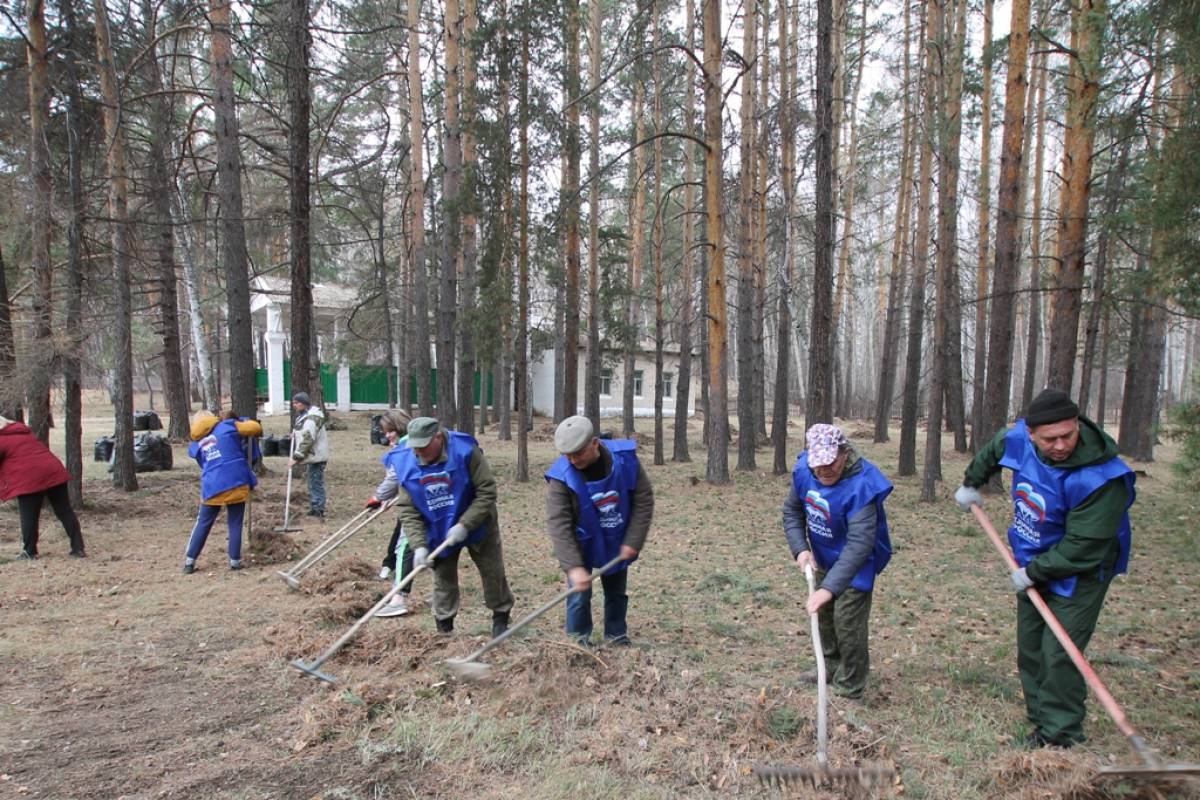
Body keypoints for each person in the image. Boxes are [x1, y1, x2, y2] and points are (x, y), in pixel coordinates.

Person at [955, 387, 1135, 749]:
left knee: (1060, 652)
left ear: (1078, 425)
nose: (1060, 445)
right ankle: (1041, 720)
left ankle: (1061, 736)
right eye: (1049, 438)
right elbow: (994, 450)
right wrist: (971, 482)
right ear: (1031, 433)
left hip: (1083, 572)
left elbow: (1083, 548)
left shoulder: (1102, 478)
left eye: (1068, 434)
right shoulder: (1018, 438)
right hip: (1032, 559)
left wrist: (1032, 574)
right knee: (1032, 647)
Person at [783, 423, 893, 700]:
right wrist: (800, 550)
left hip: (857, 563)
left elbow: (859, 544)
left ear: (844, 454)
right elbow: (792, 512)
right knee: (825, 618)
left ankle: (850, 685)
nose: (823, 471)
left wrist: (828, 589)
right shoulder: (804, 473)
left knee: (847, 621)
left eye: (830, 463)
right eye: (818, 465)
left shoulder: (862, 485)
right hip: (823, 555)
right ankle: (830, 666)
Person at [390, 417, 514, 636]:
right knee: (443, 576)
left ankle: (500, 617)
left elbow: (487, 490)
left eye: (424, 447)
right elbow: (408, 511)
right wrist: (419, 546)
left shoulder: (465, 451)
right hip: (437, 524)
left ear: (438, 437)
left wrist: (466, 524)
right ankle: (444, 626)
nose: (418, 453)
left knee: (492, 570)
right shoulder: (406, 463)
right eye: (415, 448)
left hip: (478, 521)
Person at [545, 416, 653, 646]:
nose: (573, 460)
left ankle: (616, 637)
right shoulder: (561, 477)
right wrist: (574, 567)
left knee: (616, 592)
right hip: (580, 542)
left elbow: (643, 499)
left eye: (578, 453)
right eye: (568, 455)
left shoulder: (625, 461)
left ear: (595, 444)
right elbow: (559, 524)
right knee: (578, 596)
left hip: (616, 537)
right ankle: (578, 643)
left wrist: (633, 541)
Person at [183, 410, 262, 573]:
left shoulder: (196, 443)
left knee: (203, 523)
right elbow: (255, 428)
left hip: (212, 486)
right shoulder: (227, 426)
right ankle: (234, 561)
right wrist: (242, 421)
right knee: (235, 522)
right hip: (236, 481)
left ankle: (189, 561)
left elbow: (203, 463)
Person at [0, 415, 86, 559]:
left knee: (29, 515)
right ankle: (78, 548)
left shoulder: (2, 440)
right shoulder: (25, 434)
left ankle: (29, 552)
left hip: (29, 478)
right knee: (64, 510)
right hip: (54, 471)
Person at [366, 410, 421, 618]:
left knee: (404, 546)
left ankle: (398, 598)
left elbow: (394, 478)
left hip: (419, 504)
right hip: (419, 499)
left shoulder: (405, 447)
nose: (386, 435)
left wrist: (377, 497)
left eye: (389, 431)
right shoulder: (411, 443)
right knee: (410, 545)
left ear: (399, 428)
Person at [289, 392, 329, 519]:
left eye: (296, 403)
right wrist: (295, 433)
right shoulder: (304, 415)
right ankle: (314, 506)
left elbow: (308, 439)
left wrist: (296, 457)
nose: (294, 405)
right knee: (312, 481)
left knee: (316, 482)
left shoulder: (312, 418)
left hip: (316, 455)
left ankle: (319, 509)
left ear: (303, 403)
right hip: (313, 455)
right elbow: (304, 431)